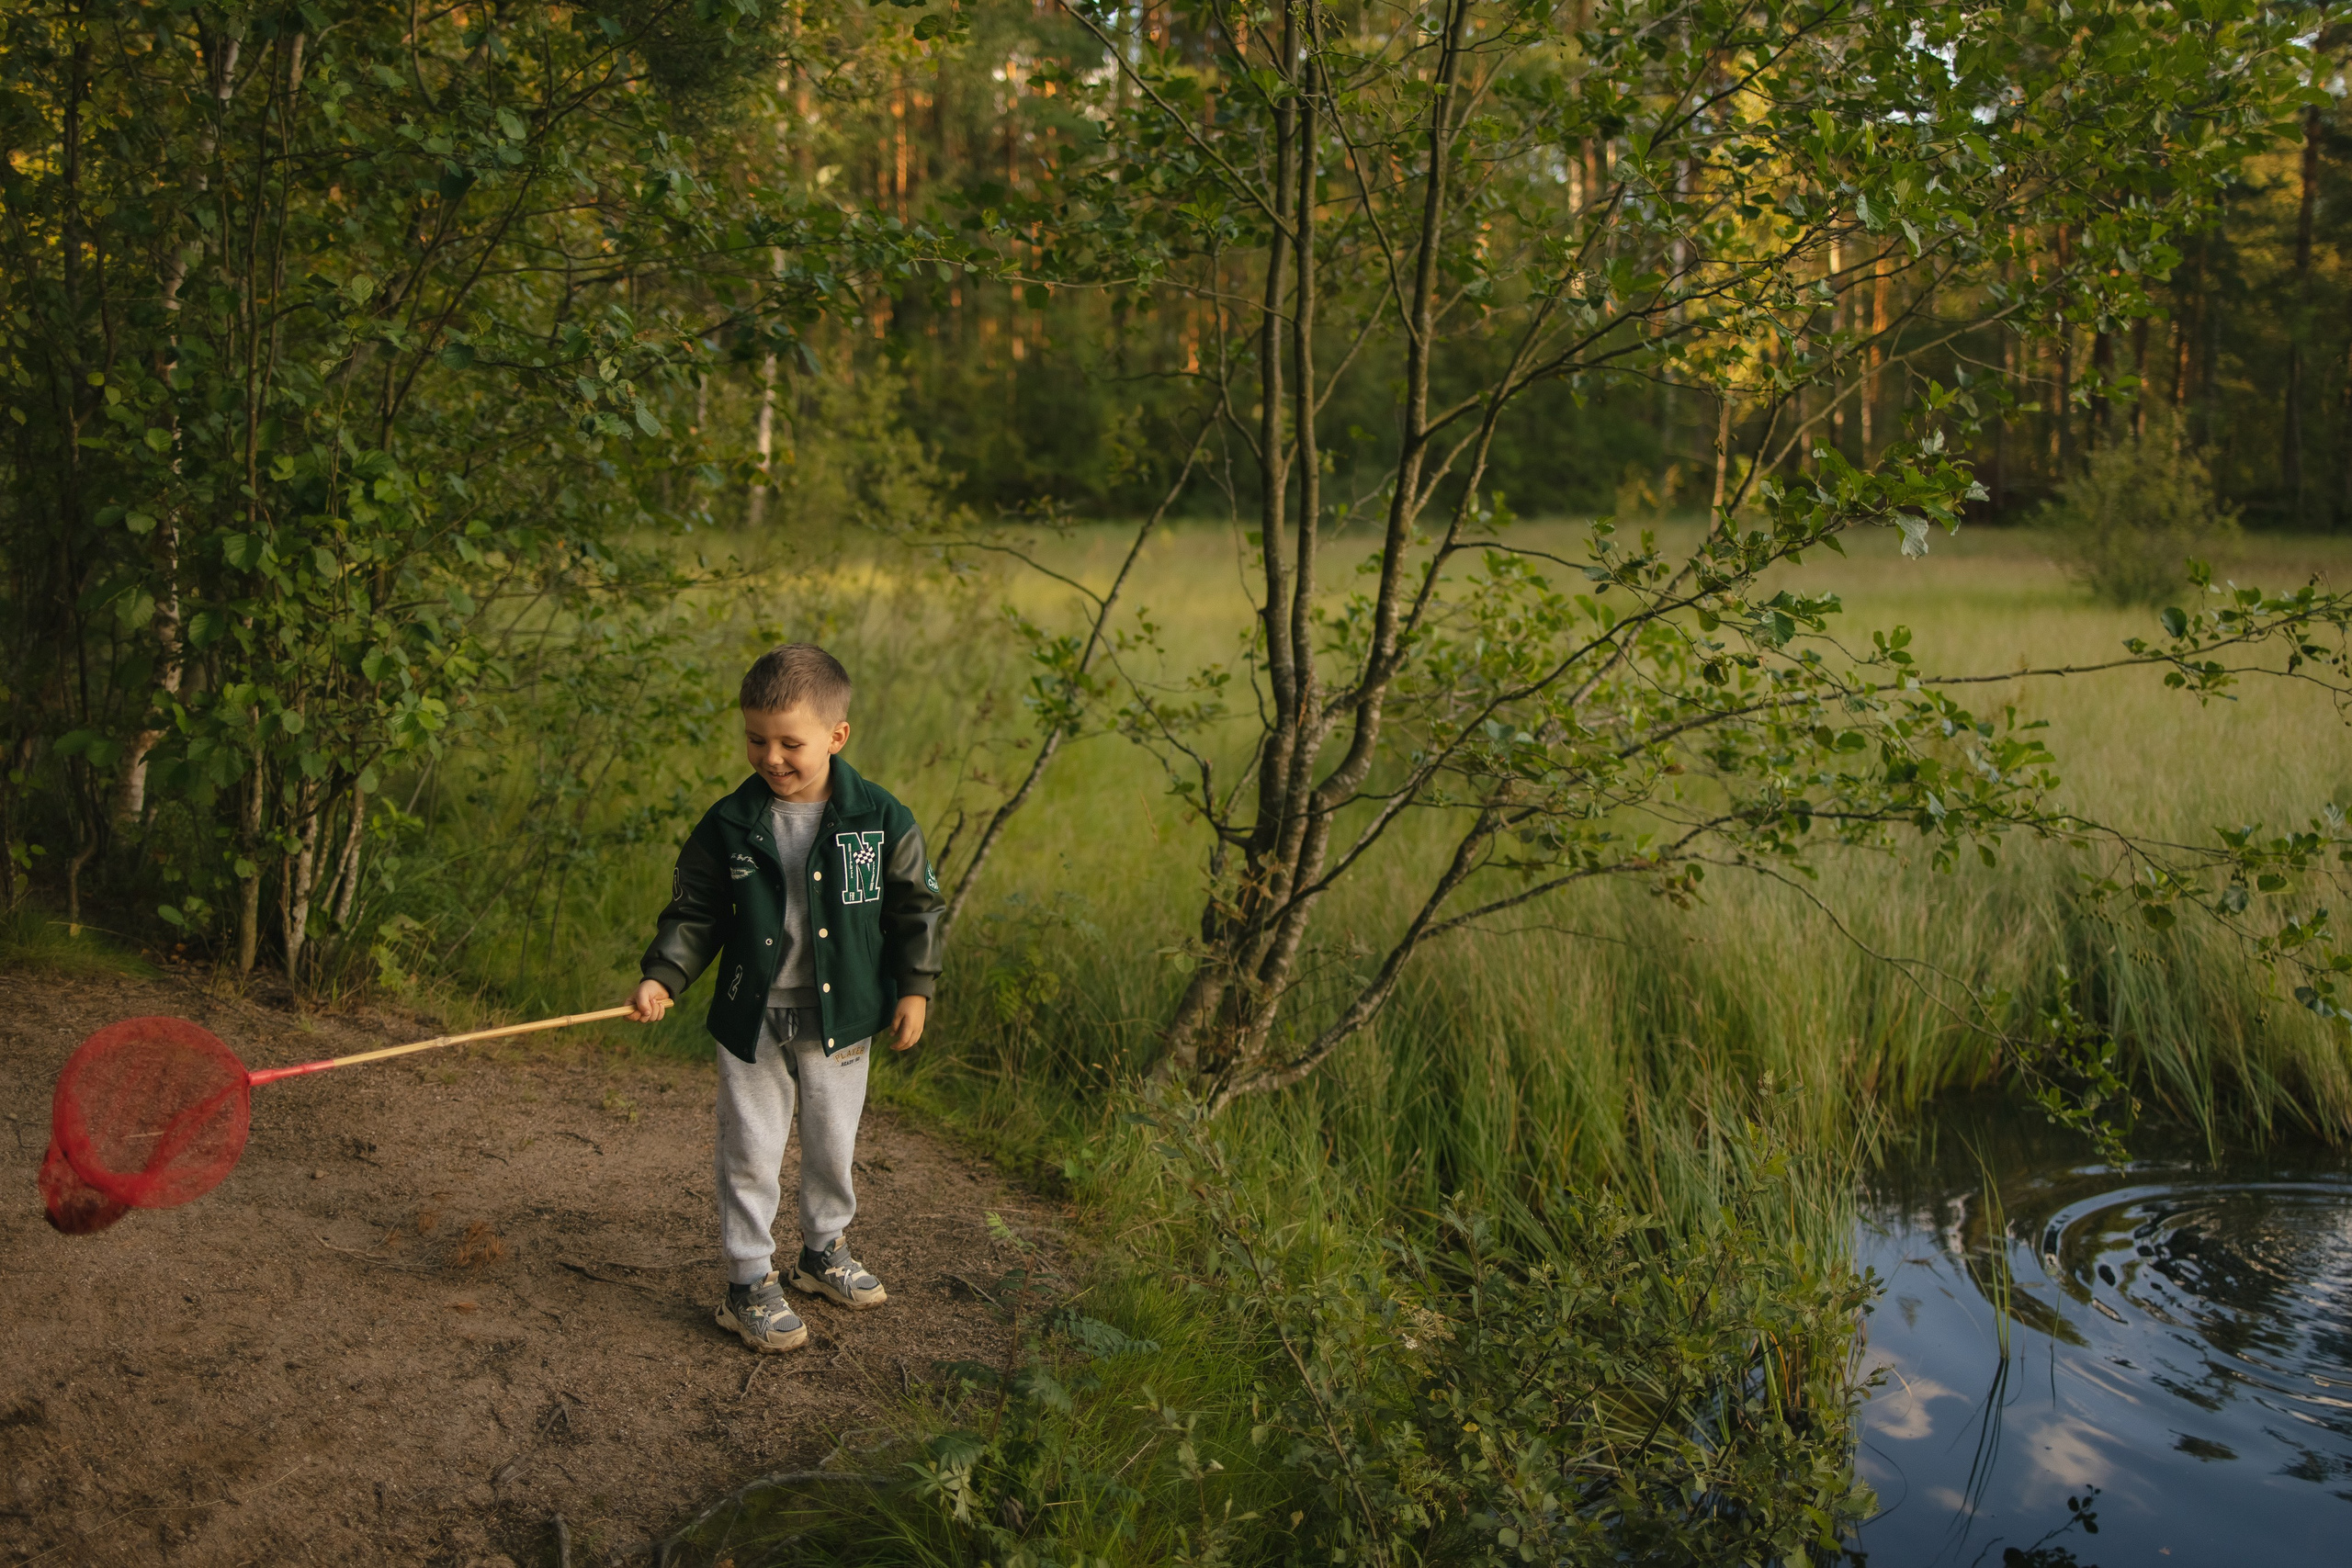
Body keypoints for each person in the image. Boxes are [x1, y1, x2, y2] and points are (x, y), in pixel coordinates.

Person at [628, 643, 944, 1353]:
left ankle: (822, 1249)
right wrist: (663, 975)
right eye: (756, 739)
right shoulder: (729, 823)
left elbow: (915, 908)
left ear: (837, 735)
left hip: (845, 1014)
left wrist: (915, 988)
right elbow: (695, 911)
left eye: (789, 742)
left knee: (834, 1140)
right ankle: (747, 1281)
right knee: (751, 1146)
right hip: (755, 1016)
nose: (770, 757)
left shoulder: (881, 818)